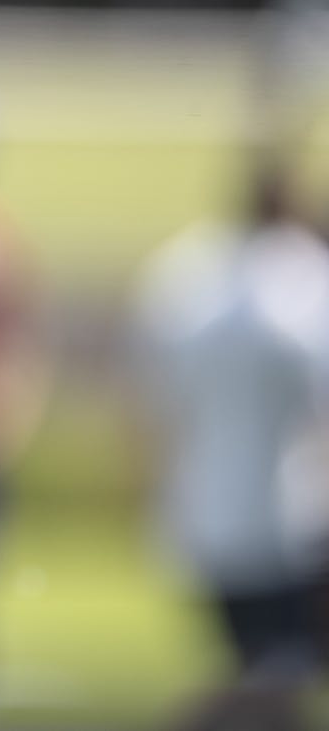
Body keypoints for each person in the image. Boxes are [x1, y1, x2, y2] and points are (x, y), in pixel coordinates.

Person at [131, 160, 329, 731]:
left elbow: (149, 397)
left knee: (264, 672)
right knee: (279, 675)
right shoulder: (303, 278)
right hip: (291, 521)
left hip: (205, 516)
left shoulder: (190, 274)